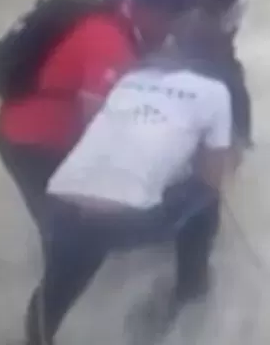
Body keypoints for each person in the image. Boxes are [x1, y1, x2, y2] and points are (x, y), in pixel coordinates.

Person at [27, 48, 238, 345]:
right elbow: (214, 177)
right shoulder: (216, 91)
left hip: (61, 204)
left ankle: (37, 335)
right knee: (206, 200)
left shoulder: (129, 79)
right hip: (128, 220)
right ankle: (190, 292)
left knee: (60, 284)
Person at [0, 0, 195, 241]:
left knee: (76, 223)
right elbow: (97, 126)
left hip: (28, 129)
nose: (174, 36)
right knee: (67, 232)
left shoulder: (118, 19)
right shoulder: (109, 43)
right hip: (33, 143)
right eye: (172, 25)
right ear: (150, 13)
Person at [103, 0, 252, 146]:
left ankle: (241, 140)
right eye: (202, 6)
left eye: (212, 12)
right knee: (130, 52)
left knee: (224, 68)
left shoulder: (239, 1)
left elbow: (222, 48)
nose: (204, 16)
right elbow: (147, 28)